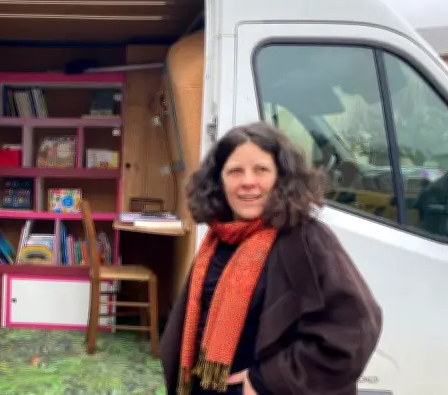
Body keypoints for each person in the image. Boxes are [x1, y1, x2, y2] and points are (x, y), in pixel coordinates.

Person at [159, 122, 382, 395]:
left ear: (281, 178)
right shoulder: (217, 240)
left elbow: (354, 330)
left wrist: (268, 381)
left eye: (261, 170)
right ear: (220, 181)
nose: (248, 182)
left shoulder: (304, 239)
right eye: (235, 171)